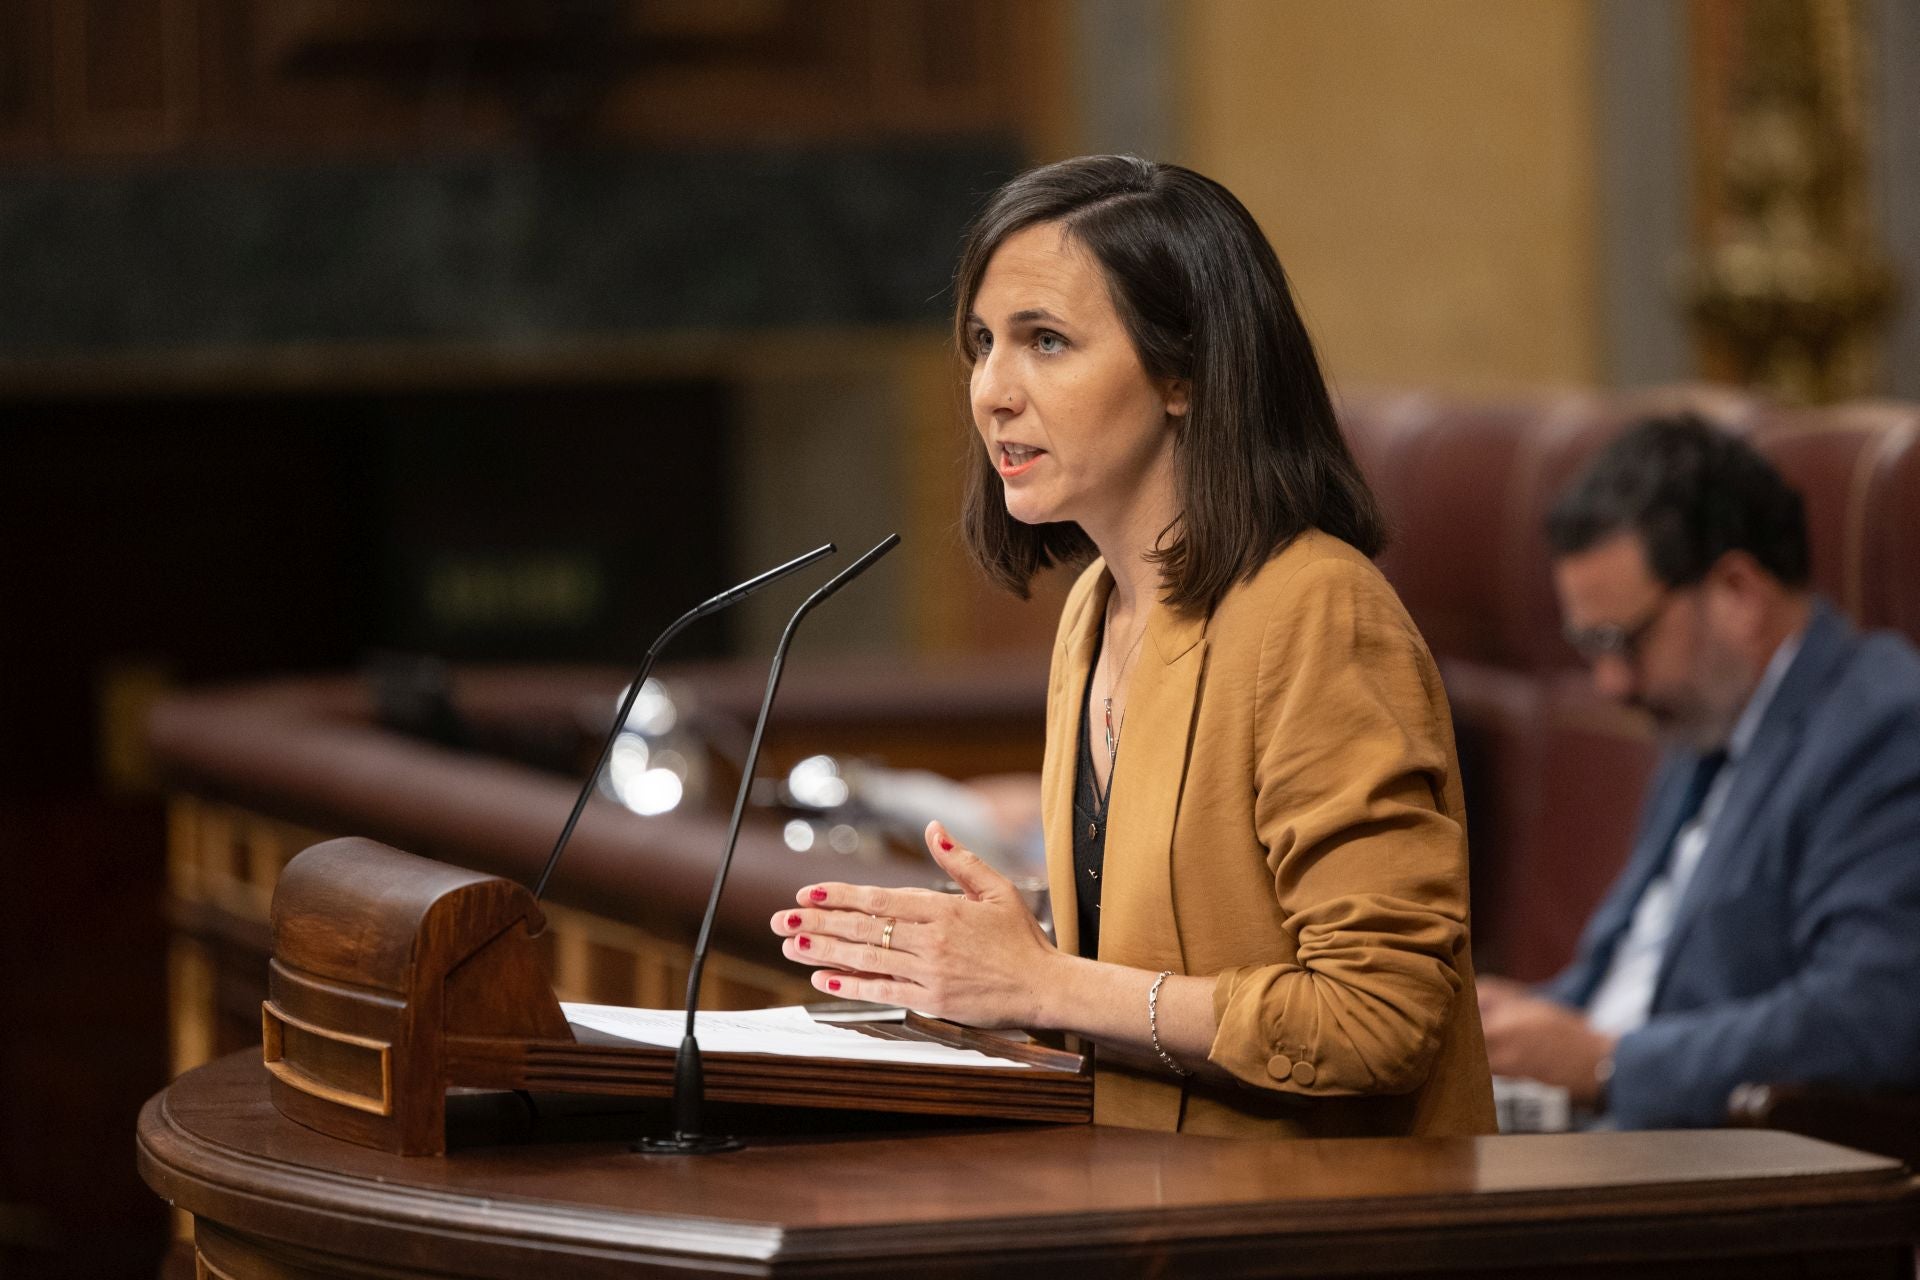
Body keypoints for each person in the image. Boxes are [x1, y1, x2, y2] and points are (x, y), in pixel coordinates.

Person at [768, 155, 1495, 1138]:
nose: (992, 390)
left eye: (1047, 341)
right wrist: (977, 951)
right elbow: (1180, 934)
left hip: (1322, 1226)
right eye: (983, 343)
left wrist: (1046, 981)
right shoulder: (1096, 607)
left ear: (1185, 372)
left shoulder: (1319, 610)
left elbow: (1379, 1016)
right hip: (1146, 1204)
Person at [1478, 416, 1920, 1129]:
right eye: (1589, 645)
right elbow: (1630, 985)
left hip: (1705, 1169)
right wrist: (1513, 1024)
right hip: (1598, 1132)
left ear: (1737, 592)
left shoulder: (1884, 728)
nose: (1611, 683)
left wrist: (1604, 1063)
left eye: (1622, 640)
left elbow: (1872, 1011)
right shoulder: (1706, 720)